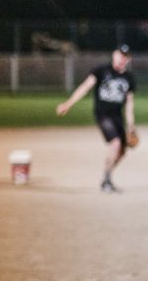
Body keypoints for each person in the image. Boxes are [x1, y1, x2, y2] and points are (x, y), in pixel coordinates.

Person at [56, 44, 137, 192]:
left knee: (122, 151)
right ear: (114, 55)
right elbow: (85, 87)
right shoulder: (101, 71)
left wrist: (131, 125)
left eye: (125, 56)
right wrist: (68, 104)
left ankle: (107, 176)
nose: (122, 59)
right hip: (103, 114)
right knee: (115, 143)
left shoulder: (129, 78)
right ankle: (107, 180)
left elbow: (130, 104)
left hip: (117, 117)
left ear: (128, 59)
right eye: (120, 55)